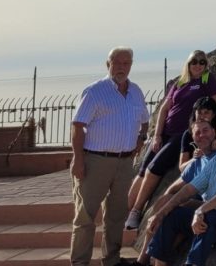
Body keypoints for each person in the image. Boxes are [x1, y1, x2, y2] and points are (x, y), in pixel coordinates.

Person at [126, 51, 216, 230]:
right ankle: (126, 213)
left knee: (153, 168)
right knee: (141, 172)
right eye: (194, 62)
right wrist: (157, 134)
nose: (198, 65)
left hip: (181, 133)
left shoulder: (206, 79)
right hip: (165, 132)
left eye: (202, 62)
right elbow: (164, 109)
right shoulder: (180, 82)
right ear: (188, 63)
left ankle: (136, 211)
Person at [70, 46, 148, 266]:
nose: (122, 67)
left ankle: (111, 260)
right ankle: (79, 262)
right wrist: (78, 159)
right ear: (108, 64)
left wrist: (140, 139)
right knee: (85, 217)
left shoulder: (136, 91)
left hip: (124, 163)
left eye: (126, 63)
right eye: (117, 63)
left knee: (116, 216)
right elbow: (77, 126)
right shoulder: (95, 91)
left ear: (131, 65)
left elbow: (144, 120)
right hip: (95, 160)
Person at [144, 119, 216, 266]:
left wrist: (200, 210)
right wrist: (161, 213)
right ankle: (159, 263)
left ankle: (193, 263)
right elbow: (189, 188)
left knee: (207, 218)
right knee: (173, 214)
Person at [130, 119, 216, 266]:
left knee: (173, 212)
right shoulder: (197, 162)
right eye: (197, 133)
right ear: (193, 138)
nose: (202, 135)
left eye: (205, 130)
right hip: (198, 207)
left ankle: (149, 258)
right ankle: (144, 259)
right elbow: (174, 188)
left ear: (214, 132)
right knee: (166, 205)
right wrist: (160, 207)